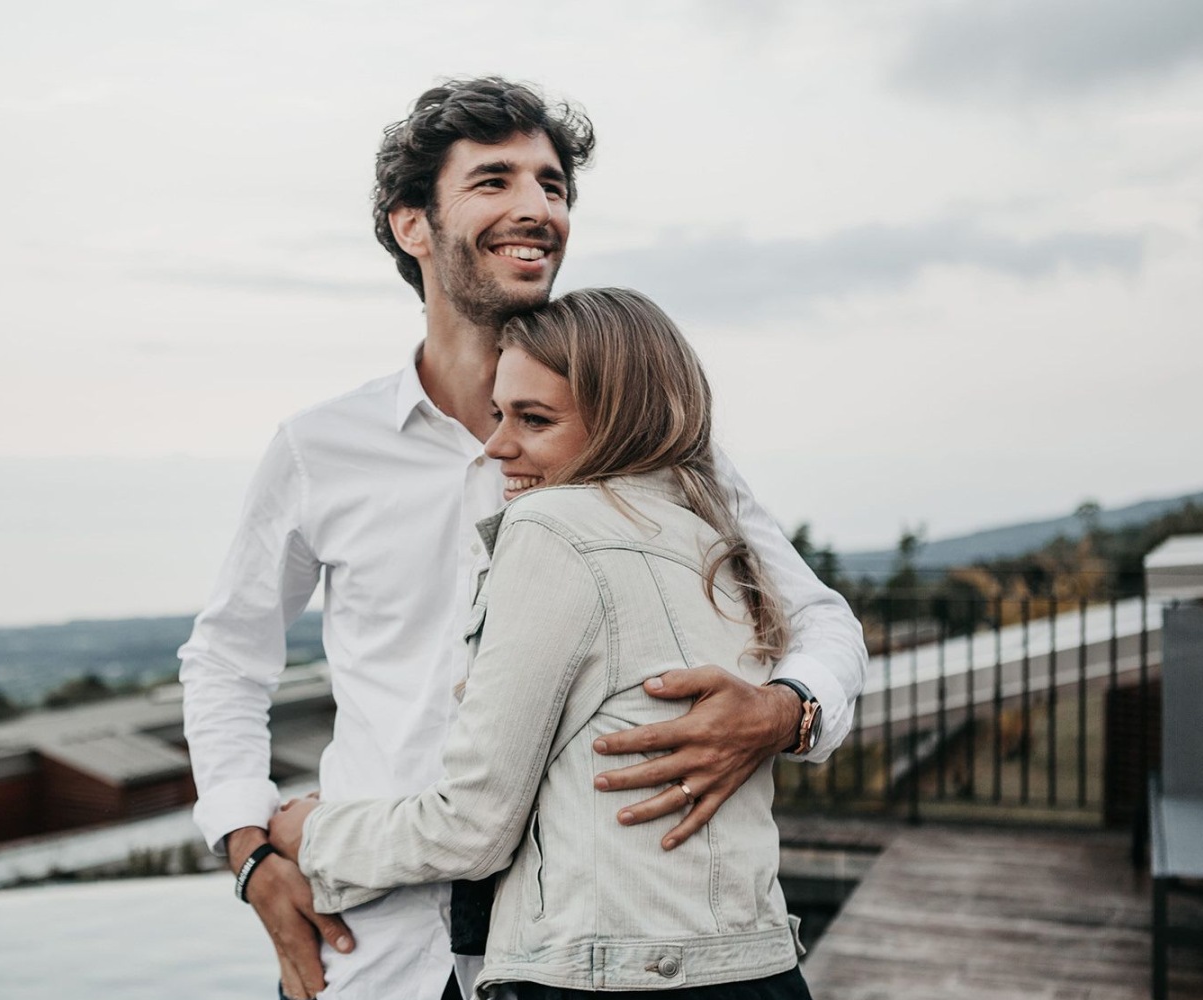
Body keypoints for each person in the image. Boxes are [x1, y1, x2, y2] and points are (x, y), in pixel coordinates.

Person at [179, 78, 866, 1000]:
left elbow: (819, 619)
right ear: (412, 225)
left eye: (553, 186)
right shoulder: (319, 448)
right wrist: (249, 850)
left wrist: (785, 713)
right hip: (375, 941)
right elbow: (227, 658)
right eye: (495, 180)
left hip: (592, 954)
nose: (536, 209)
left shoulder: (653, 439)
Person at [270, 287, 814, 999]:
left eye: (534, 419)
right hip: (759, 967)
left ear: (621, 422)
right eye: (499, 414)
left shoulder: (552, 529)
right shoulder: (719, 543)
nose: (497, 447)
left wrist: (309, 833)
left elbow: (473, 827)